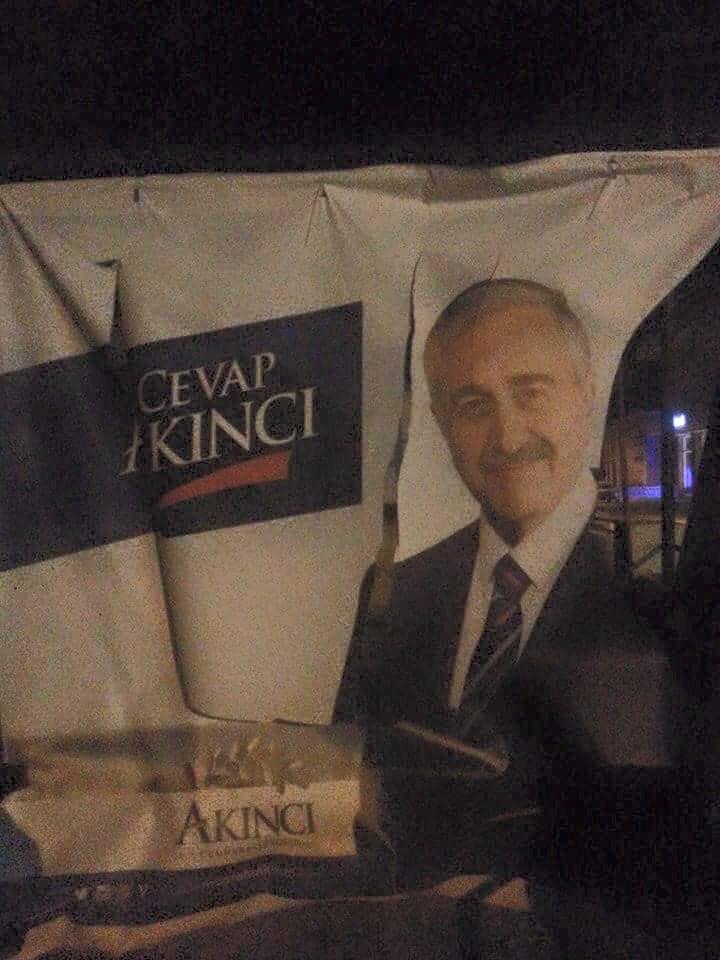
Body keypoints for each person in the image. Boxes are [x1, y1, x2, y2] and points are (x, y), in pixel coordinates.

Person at [334, 278, 686, 914]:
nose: (507, 436)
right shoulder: (395, 593)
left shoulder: (664, 590)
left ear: (587, 389)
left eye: (531, 392)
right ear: (441, 424)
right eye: (473, 406)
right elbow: (348, 797)